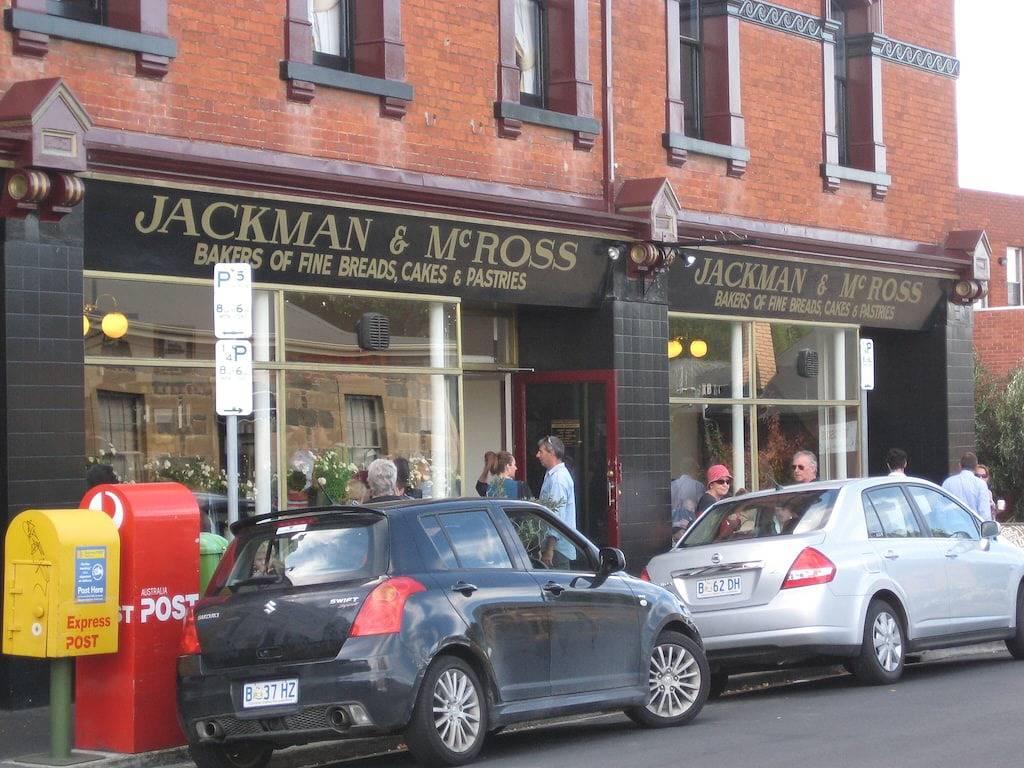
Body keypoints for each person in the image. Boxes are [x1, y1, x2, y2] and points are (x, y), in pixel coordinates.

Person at [536, 435, 577, 567]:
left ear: (552, 452)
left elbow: (556, 516)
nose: (537, 455)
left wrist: (549, 549)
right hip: (556, 548)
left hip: (557, 550)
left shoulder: (557, 480)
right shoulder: (553, 475)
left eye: (541, 451)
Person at [941, 452, 992, 521]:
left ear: (960, 465)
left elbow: (941, 508)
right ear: (976, 467)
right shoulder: (981, 484)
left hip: (952, 526)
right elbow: (984, 514)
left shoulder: (947, 482)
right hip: (973, 526)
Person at [670, 460, 704, 536]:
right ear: (693, 470)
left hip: (673, 526)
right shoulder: (698, 486)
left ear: (681, 469)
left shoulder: (672, 485)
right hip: (690, 527)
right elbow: (701, 507)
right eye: (697, 471)